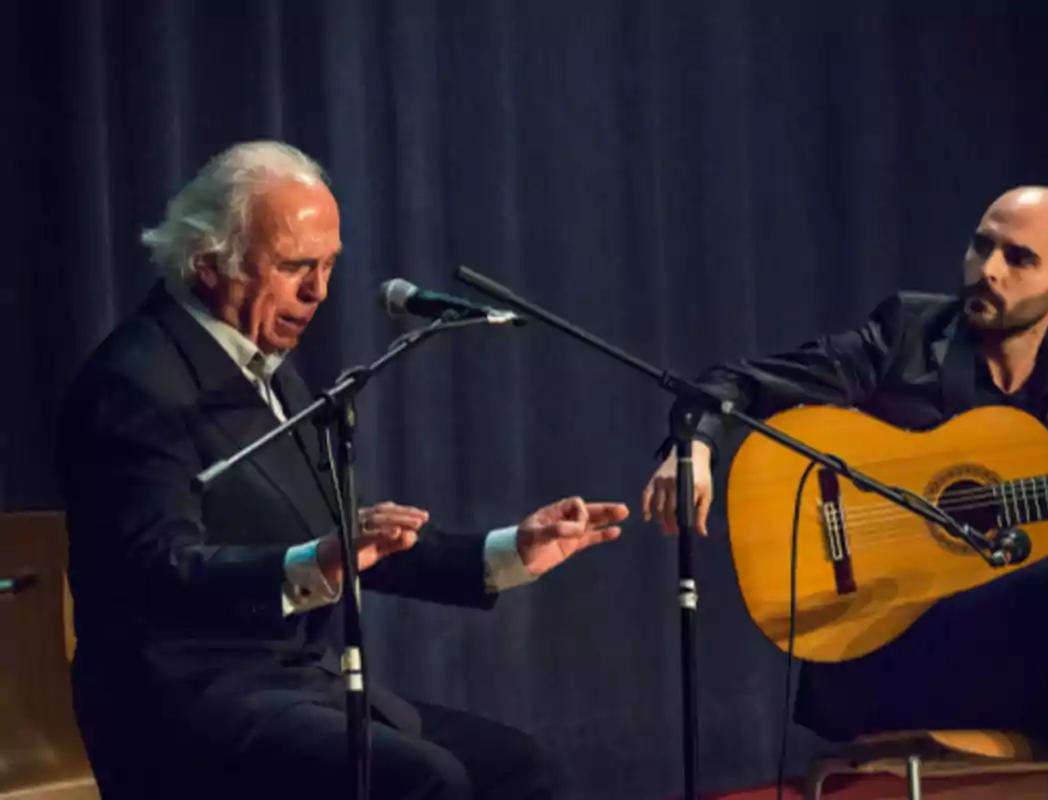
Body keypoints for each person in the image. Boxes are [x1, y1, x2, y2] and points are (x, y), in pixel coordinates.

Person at [58, 140, 629, 800]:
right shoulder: (133, 382)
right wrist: (314, 563)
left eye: (329, 266)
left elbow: (345, 543)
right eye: (296, 266)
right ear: (209, 263)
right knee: (426, 782)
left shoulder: (263, 367)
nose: (318, 291)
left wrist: (511, 552)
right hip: (183, 698)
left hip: (298, 690)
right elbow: (154, 567)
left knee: (521, 766)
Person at [642, 186, 1048, 799]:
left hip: (1023, 673)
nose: (987, 269)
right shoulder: (907, 336)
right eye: (981, 246)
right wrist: (693, 445)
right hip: (887, 653)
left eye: (1019, 259)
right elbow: (738, 383)